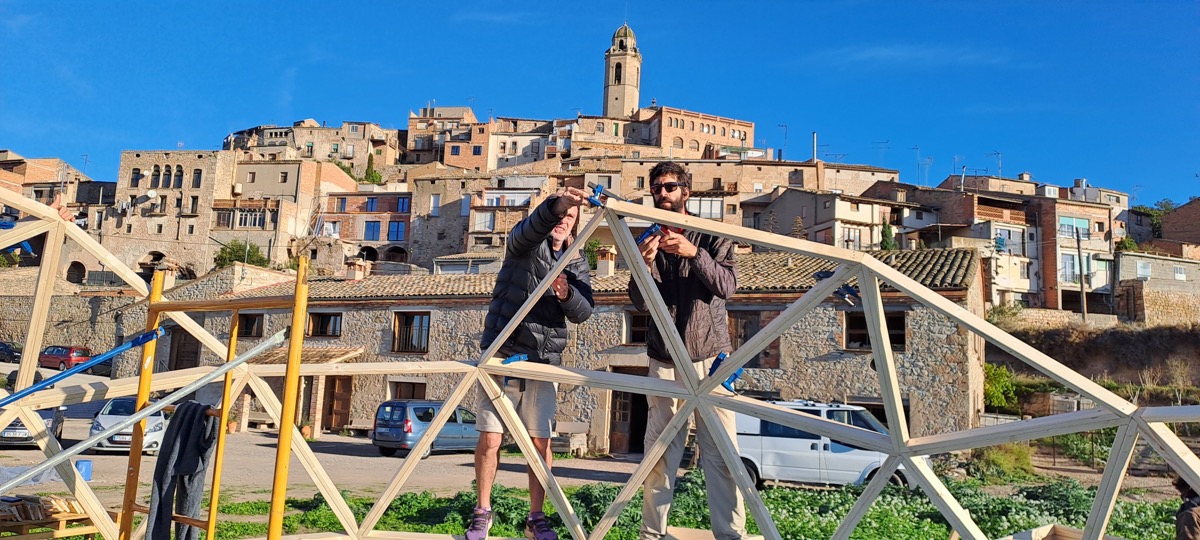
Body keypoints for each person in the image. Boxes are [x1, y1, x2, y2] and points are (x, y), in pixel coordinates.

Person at [467, 187, 595, 540]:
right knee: (491, 438)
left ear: (576, 226)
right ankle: (482, 512)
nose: (563, 222)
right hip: (502, 352)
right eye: (560, 216)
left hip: (543, 359)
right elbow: (529, 228)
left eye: (570, 218)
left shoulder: (577, 260)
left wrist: (566, 293)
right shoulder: (526, 244)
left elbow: (585, 311)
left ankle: (535, 518)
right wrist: (557, 205)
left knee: (540, 444)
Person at [628, 162, 746, 540]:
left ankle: (730, 535)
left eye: (669, 187)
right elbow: (639, 302)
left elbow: (727, 286)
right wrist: (643, 266)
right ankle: (652, 533)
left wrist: (694, 253)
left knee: (722, 454)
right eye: (656, 189)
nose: (661, 194)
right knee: (660, 455)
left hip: (711, 358)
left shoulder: (713, 233)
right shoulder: (645, 237)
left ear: (686, 192)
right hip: (664, 358)